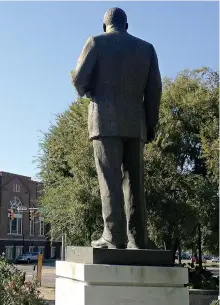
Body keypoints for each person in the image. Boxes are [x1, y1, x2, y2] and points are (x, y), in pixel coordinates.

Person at [71, 7, 162, 249]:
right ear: (127, 25)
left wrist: (90, 90)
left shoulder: (96, 43)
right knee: (135, 182)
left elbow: (79, 81)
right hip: (136, 125)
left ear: (105, 26)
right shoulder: (147, 49)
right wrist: (150, 124)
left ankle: (113, 236)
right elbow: (154, 91)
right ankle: (139, 239)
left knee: (109, 179)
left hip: (104, 121)